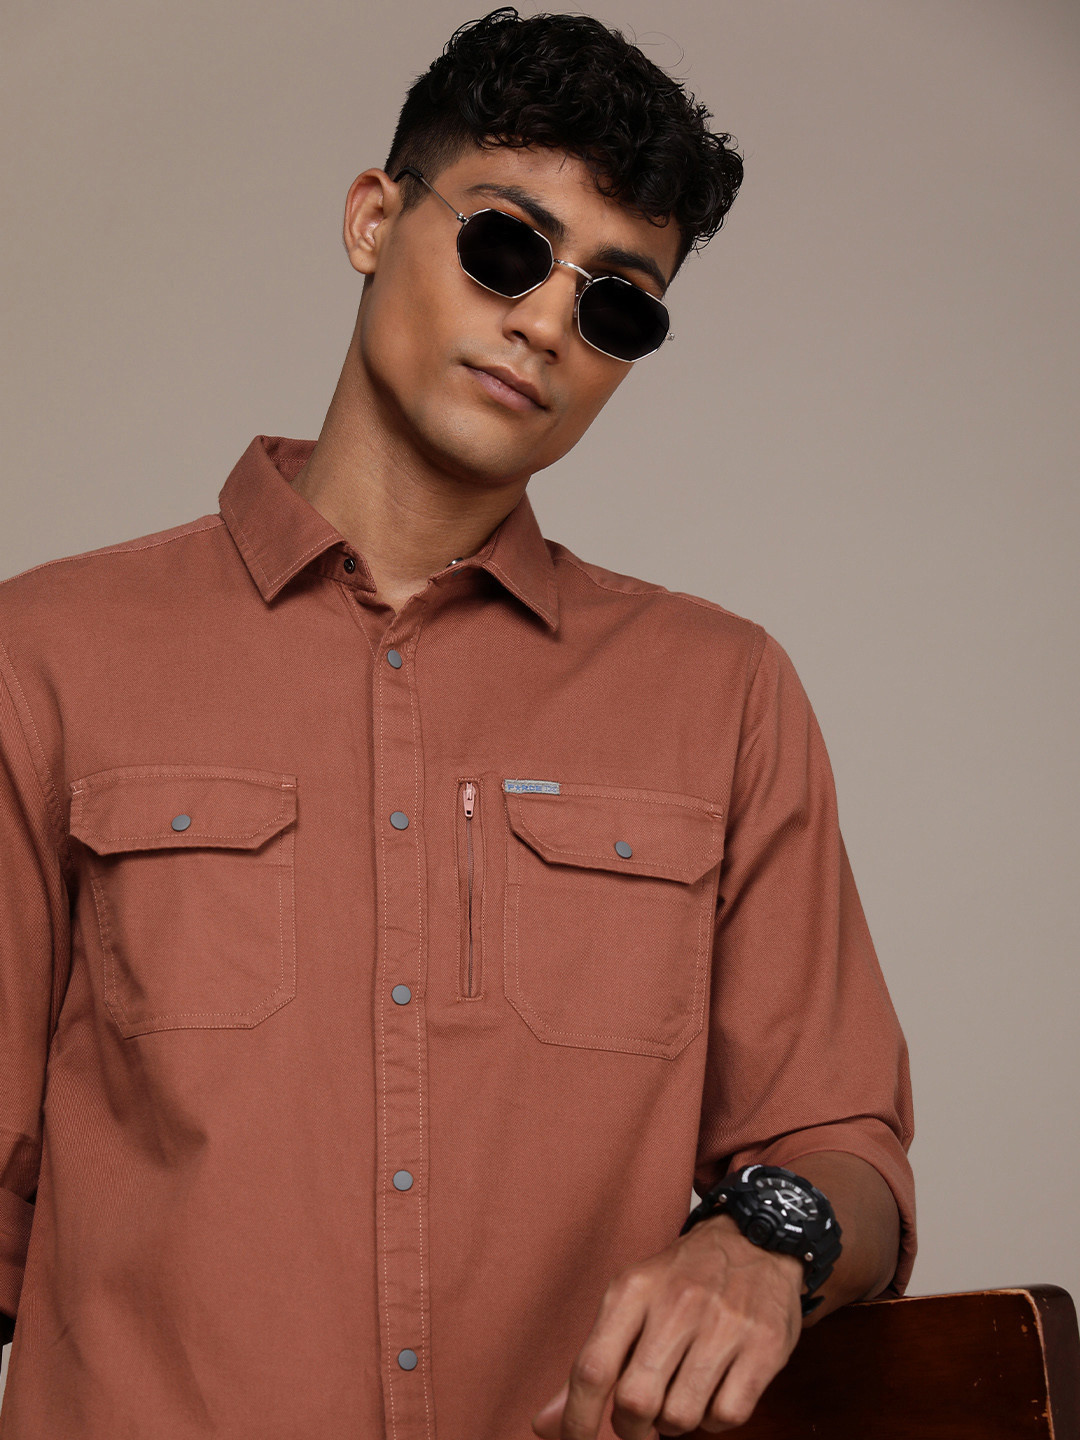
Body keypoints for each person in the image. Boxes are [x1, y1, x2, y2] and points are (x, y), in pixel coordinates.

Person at [0, 8, 914, 1437]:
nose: (546, 321)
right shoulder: (46, 656)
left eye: (617, 305)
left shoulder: (724, 696)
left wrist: (758, 1246)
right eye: (507, 246)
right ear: (374, 219)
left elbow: (844, 1146)